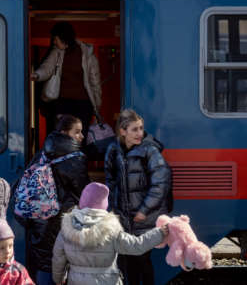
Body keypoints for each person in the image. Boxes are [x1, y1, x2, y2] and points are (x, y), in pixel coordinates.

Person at [15, 114, 91, 285]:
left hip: (39, 219)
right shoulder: (75, 159)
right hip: (60, 221)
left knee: (44, 264)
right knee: (61, 265)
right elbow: (84, 193)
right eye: (77, 132)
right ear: (65, 133)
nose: (82, 136)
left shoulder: (42, 153)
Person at [52, 182, 169, 285]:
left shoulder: (67, 228)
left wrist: (59, 279)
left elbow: (58, 258)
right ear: (104, 205)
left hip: (76, 280)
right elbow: (137, 246)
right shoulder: (111, 229)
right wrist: (160, 233)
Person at [104, 109, 172, 285]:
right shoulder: (114, 150)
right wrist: (113, 207)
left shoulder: (150, 151)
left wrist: (144, 210)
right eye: (134, 129)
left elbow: (161, 184)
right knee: (128, 262)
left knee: (142, 260)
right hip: (124, 217)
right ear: (122, 131)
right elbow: (110, 180)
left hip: (144, 217)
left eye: (141, 128)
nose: (139, 133)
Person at [31, 21, 102, 139]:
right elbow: (47, 67)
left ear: (64, 39)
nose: (54, 42)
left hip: (83, 104)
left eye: (56, 39)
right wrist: (37, 75)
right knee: (61, 136)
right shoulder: (56, 52)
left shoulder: (87, 55)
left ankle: (77, 157)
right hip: (62, 102)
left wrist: (96, 106)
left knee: (80, 138)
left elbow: (95, 82)